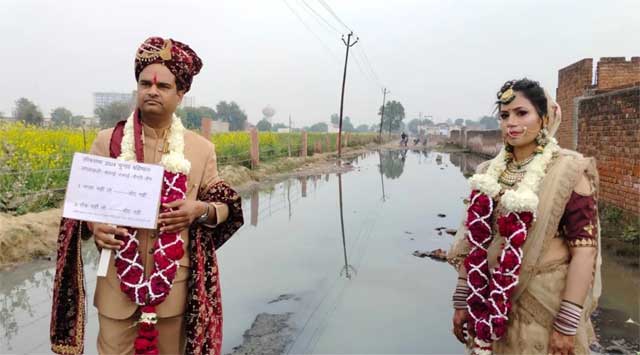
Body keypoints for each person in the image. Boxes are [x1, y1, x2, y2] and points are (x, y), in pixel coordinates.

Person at [50, 37, 244, 355]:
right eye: (145, 84)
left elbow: (226, 205)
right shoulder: (107, 142)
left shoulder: (200, 149)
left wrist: (201, 209)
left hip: (174, 289)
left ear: (181, 93)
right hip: (116, 289)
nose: (152, 91)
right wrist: (95, 226)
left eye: (163, 86)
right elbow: (80, 208)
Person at [447, 79, 600, 355]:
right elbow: (473, 242)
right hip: (489, 305)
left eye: (521, 113)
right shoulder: (486, 173)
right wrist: (461, 301)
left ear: (544, 118)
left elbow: (585, 252)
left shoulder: (570, 171)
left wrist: (566, 326)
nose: (511, 123)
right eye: (504, 116)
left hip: (544, 311)